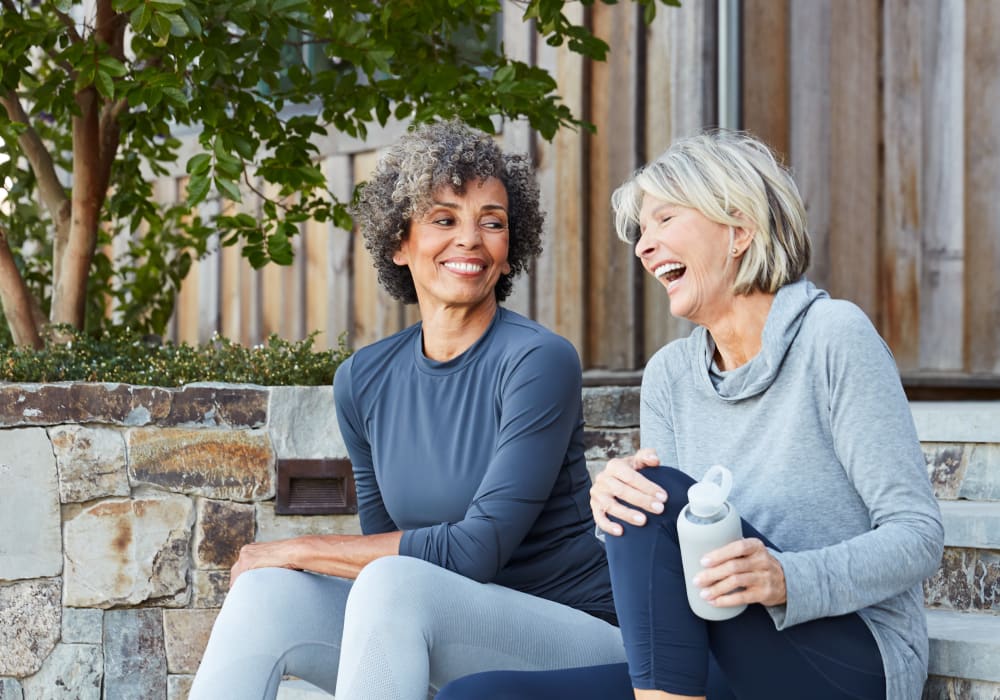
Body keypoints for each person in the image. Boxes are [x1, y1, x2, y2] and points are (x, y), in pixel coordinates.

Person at [436, 130, 944, 700]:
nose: (644, 247)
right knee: (476, 697)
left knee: (653, 493)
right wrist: (611, 511)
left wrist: (787, 579)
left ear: (739, 229)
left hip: (850, 658)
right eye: (641, 231)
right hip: (717, 660)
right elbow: (670, 570)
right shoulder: (670, 375)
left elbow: (918, 536)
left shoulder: (834, 338)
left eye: (665, 220)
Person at [188, 120, 626, 700]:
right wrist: (285, 565)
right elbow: (383, 545)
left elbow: (475, 550)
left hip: (578, 634)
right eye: (444, 220)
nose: (470, 239)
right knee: (263, 593)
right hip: (435, 620)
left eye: (491, 222)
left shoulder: (538, 361)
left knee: (390, 583)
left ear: (509, 245)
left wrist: (297, 548)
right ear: (399, 241)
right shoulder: (364, 380)